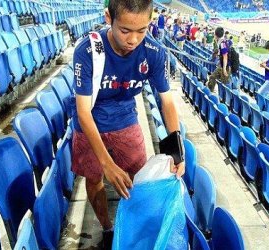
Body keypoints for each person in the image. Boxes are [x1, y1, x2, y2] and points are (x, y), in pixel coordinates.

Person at [71, 0, 185, 248]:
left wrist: (177, 152)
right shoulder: (88, 50)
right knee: (94, 178)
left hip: (125, 118)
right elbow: (83, 112)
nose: (133, 39)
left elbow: (166, 102)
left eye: (141, 30)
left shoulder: (154, 53)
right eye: (125, 30)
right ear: (108, 18)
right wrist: (106, 163)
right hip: (91, 121)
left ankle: (134, 228)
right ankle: (108, 228)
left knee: (137, 177)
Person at [207, 27, 230, 92]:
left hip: (225, 66)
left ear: (215, 35)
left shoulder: (222, 43)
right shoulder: (220, 42)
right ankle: (210, 91)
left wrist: (224, 69)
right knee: (212, 77)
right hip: (222, 64)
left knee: (224, 84)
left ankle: (224, 99)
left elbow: (225, 56)